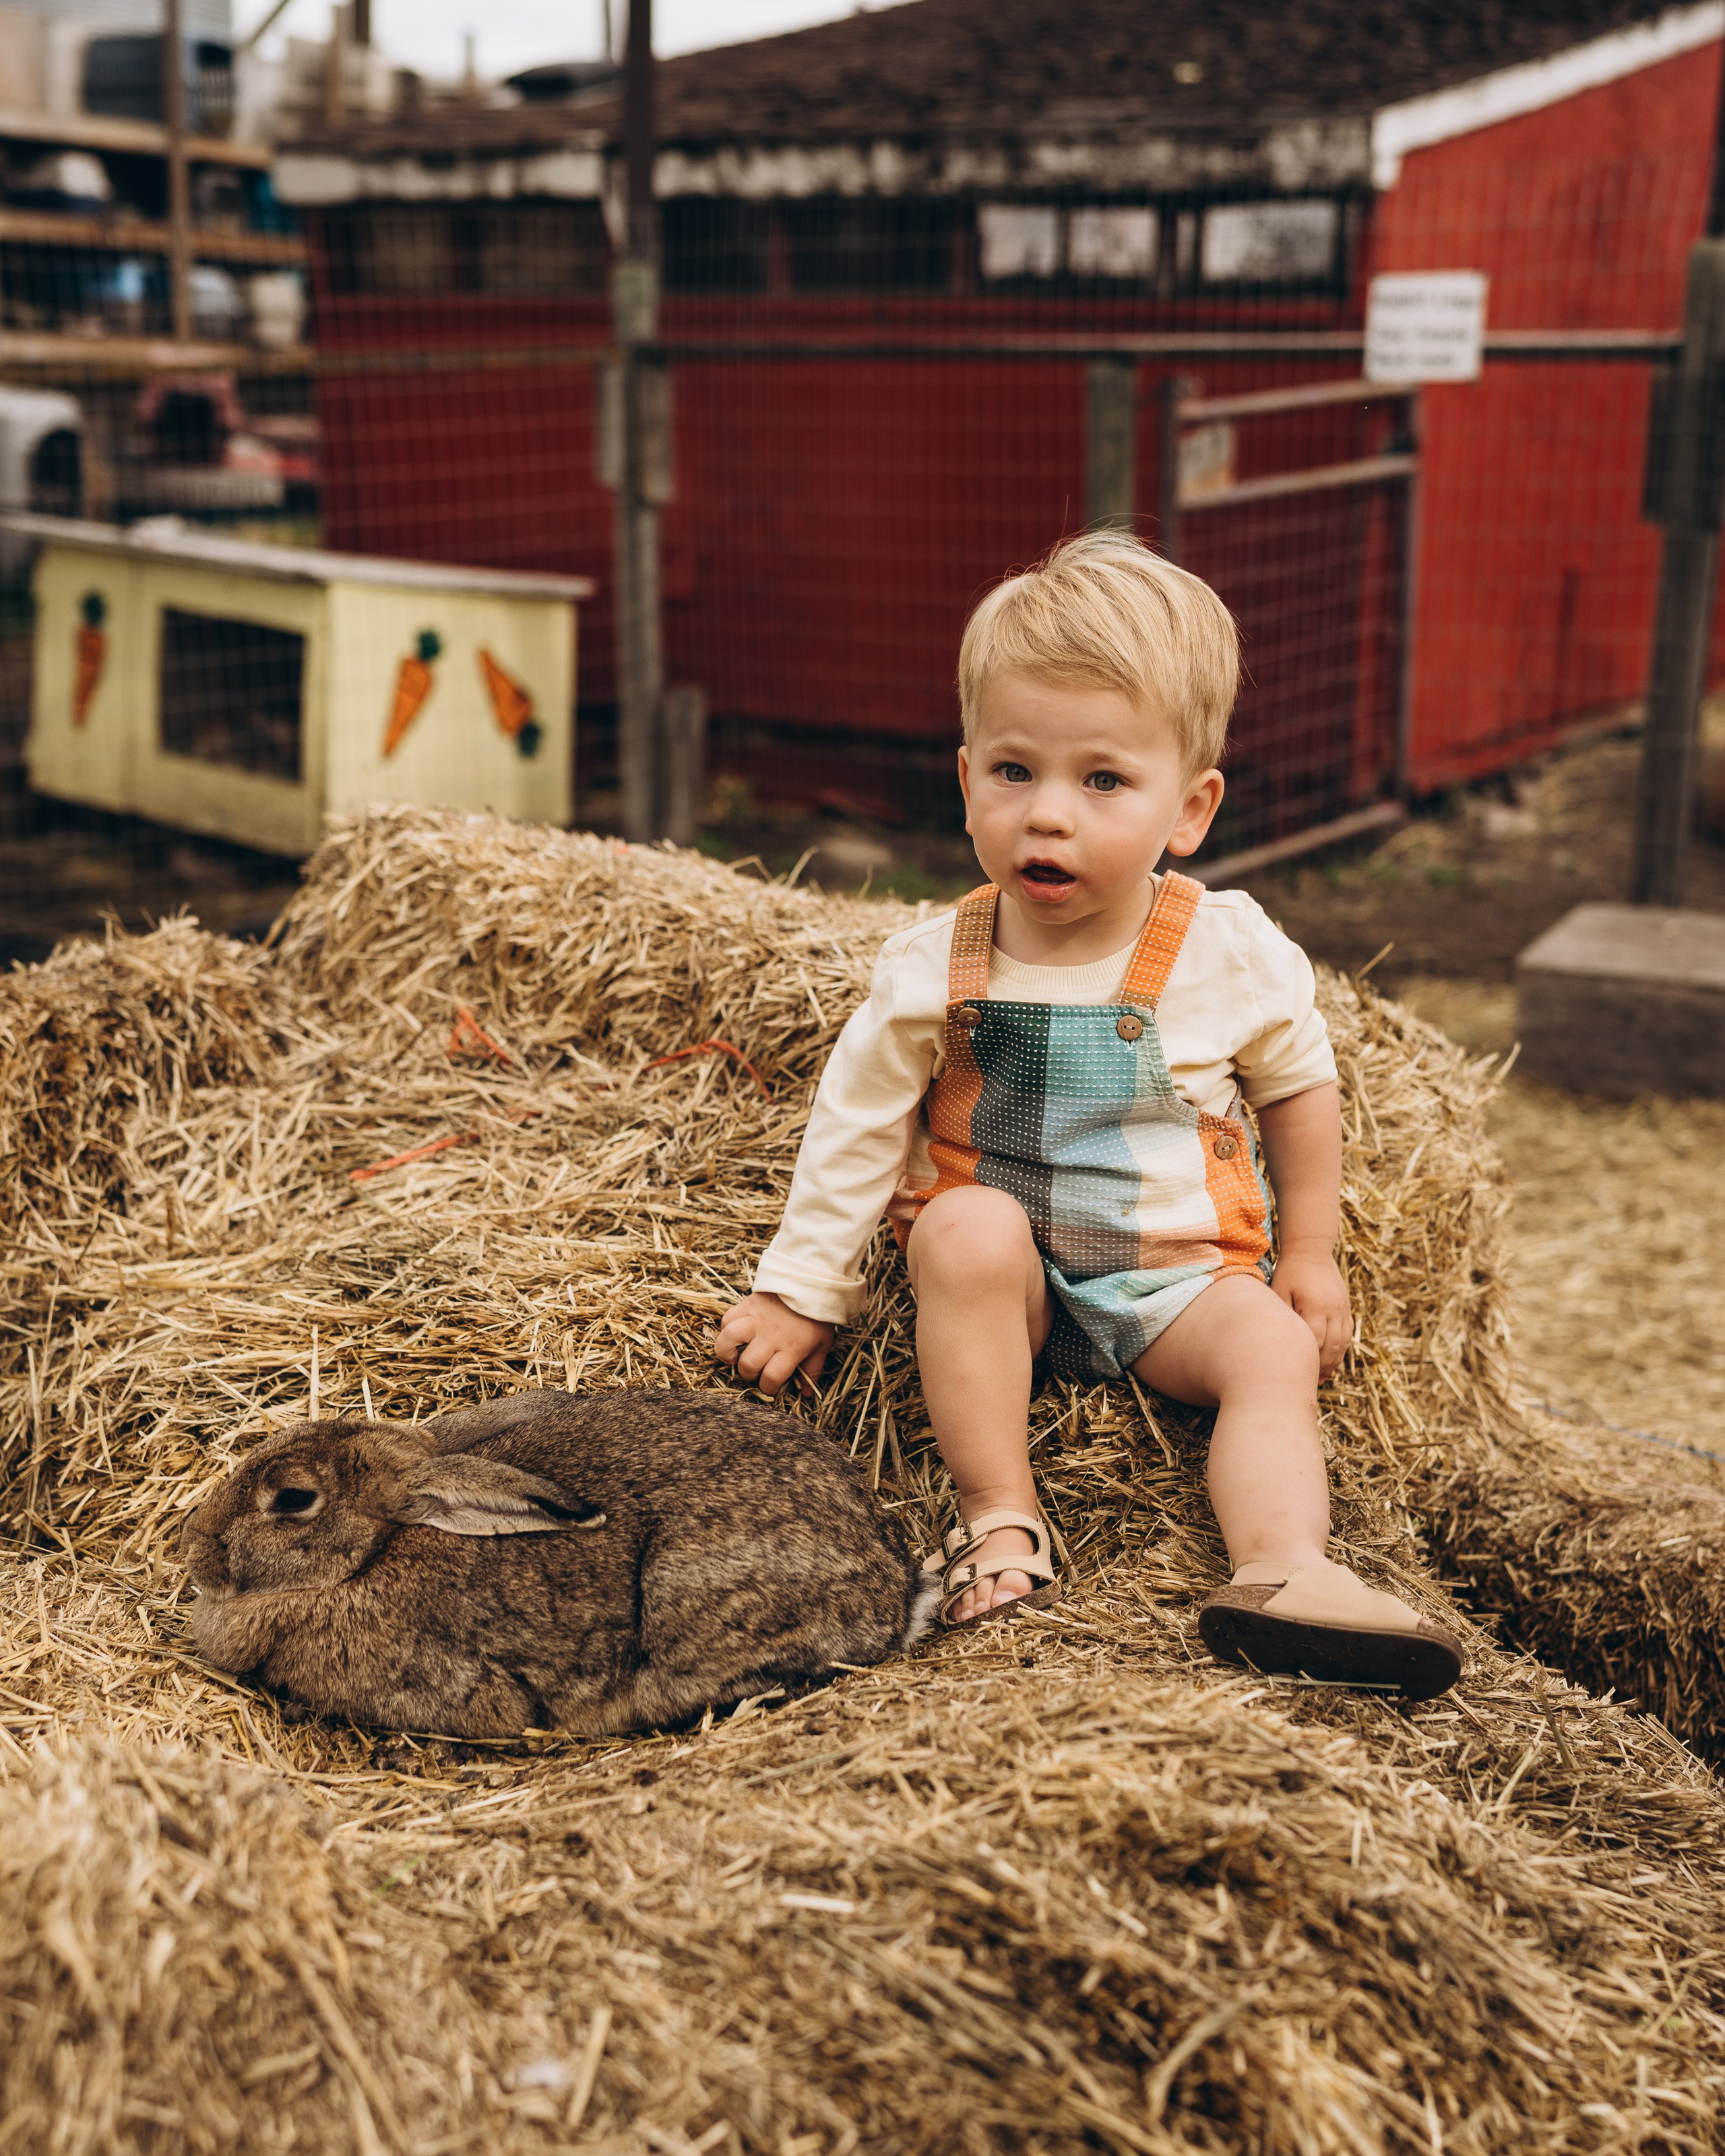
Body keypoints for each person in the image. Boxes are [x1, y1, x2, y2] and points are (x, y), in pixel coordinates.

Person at [714, 532, 1462, 1697]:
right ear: (967, 778)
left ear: (1189, 808)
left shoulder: (1225, 950)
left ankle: (1284, 1569)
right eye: (1015, 772)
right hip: (1005, 1292)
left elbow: (1299, 1091)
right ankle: (998, 1518)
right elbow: (855, 1124)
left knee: (1270, 1350)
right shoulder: (933, 963)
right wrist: (803, 1286)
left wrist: (1311, 1255)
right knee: (961, 1227)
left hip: (1174, 1286)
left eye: (1103, 781)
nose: (1048, 816)